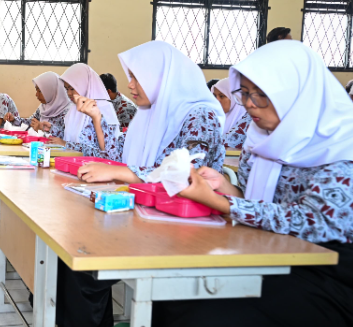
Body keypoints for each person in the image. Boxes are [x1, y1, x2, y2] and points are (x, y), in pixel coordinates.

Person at [154, 41, 353, 327]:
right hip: (269, 251)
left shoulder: (342, 146)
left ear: (296, 93)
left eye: (261, 94)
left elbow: (312, 221)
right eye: (245, 93)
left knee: (209, 316)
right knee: (172, 293)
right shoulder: (262, 138)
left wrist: (221, 202)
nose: (249, 103)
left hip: (326, 271)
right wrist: (224, 186)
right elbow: (254, 196)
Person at [57, 41, 226, 327]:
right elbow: (117, 157)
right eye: (130, 77)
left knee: (81, 271)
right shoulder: (148, 113)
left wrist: (123, 174)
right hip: (147, 214)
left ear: (162, 76)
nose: (130, 85)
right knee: (74, 256)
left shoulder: (200, 115)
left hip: (184, 227)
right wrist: (98, 118)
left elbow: (182, 174)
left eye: (137, 77)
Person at [49, 64, 119, 158]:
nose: (69, 93)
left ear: (84, 84)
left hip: (95, 168)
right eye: (66, 89)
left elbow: (105, 153)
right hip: (71, 164)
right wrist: (52, 129)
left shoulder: (103, 109)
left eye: (72, 88)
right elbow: (70, 136)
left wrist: (66, 144)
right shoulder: (73, 109)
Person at [3, 71, 71, 138]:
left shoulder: (69, 111)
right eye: (36, 90)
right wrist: (14, 119)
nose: (36, 94)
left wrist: (46, 128)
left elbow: (68, 136)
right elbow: (30, 122)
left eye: (40, 91)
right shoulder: (43, 107)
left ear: (51, 91)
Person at [212, 78, 251, 149]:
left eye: (222, 96)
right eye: (215, 96)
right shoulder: (214, 117)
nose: (217, 100)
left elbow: (228, 142)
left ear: (235, 97)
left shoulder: (249, 119)